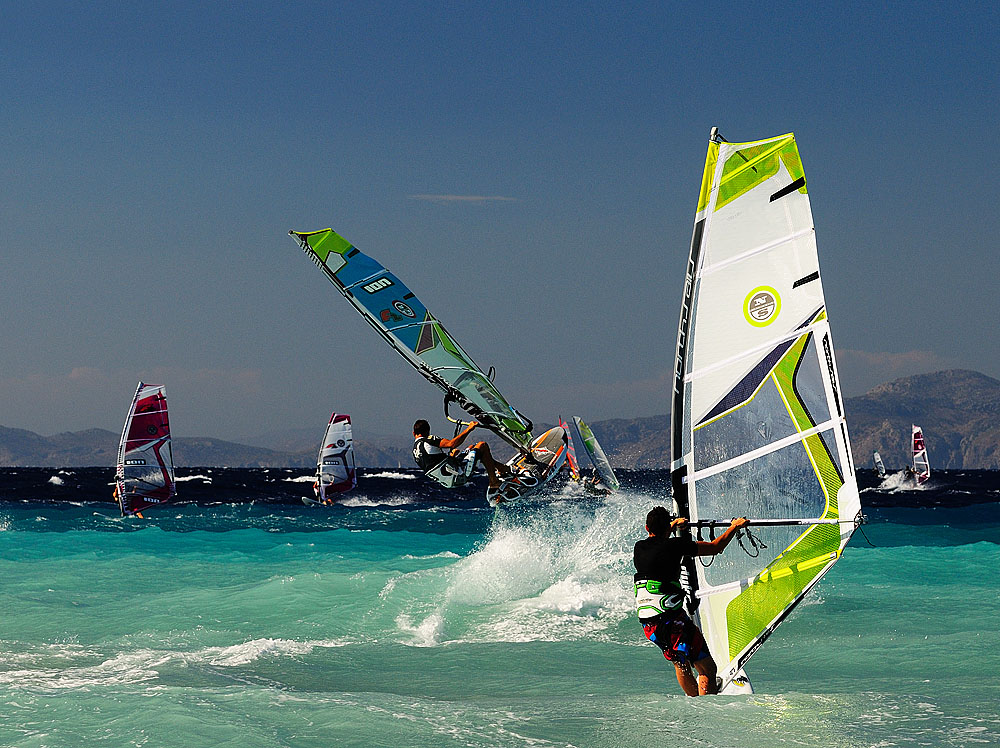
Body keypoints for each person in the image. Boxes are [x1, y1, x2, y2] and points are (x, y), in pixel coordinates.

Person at [633, 506, 749, 697]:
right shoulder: (675, 546)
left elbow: (659, 539)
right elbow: (715, 547)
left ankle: (694, 701)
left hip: (649, 623)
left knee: (680, 662)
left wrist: (672, 525)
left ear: (647, 528)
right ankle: (706, 705)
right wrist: (735, 526)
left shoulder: (639, 547)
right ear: (666, 528)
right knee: (707, 669)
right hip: (672, 621)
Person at [412, 419, 509, 492]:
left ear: (414, 433)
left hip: (447, 481)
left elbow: (434, 463)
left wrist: (451, 456)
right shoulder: (429, 440)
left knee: (472, 447)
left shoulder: (415, 451)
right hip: (459, 476)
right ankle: (494, 482)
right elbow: (451, 444)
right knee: (482, 446)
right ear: (428, 431)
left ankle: (502, 469)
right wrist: (469, 429)